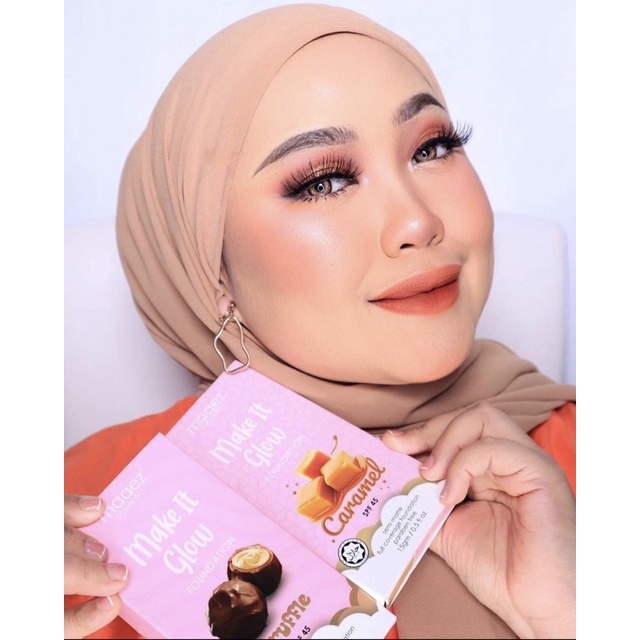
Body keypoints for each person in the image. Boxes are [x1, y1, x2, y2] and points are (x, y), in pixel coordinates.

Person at [64, 4, 576, 639]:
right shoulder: (85, 528)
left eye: (433, 147)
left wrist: (569, 615)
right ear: (210, 273)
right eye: (324, 182)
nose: (418, 222)